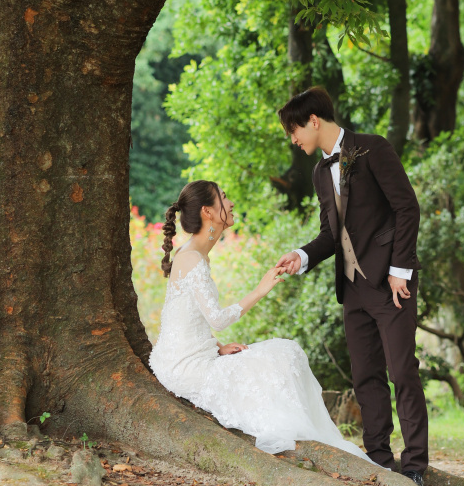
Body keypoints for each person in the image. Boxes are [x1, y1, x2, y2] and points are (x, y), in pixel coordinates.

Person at [149, 178, 377, 461]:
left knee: (284, 353)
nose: (230, 203)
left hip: (188, 358)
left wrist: (215, 346)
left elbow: (185, 316)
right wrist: (260, 289)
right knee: (283, 354)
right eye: (223, 197)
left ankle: (306, 436)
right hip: (185, 369)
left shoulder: (193, 254)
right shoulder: (193, 258)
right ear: (208, 212)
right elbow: (216, 319)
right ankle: (299, 436)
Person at [275, 87, 428, 486]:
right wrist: (301, 255)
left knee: (403, 372)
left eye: (294, 131)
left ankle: (415, 465)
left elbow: (406, 207)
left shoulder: (373, 149)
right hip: (352, 287)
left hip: (391, 282)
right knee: (365, 377)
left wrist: (401, 270)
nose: (294, 140)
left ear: (313, 121)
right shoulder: (318, 172)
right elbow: (331, 233)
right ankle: (380, 460)